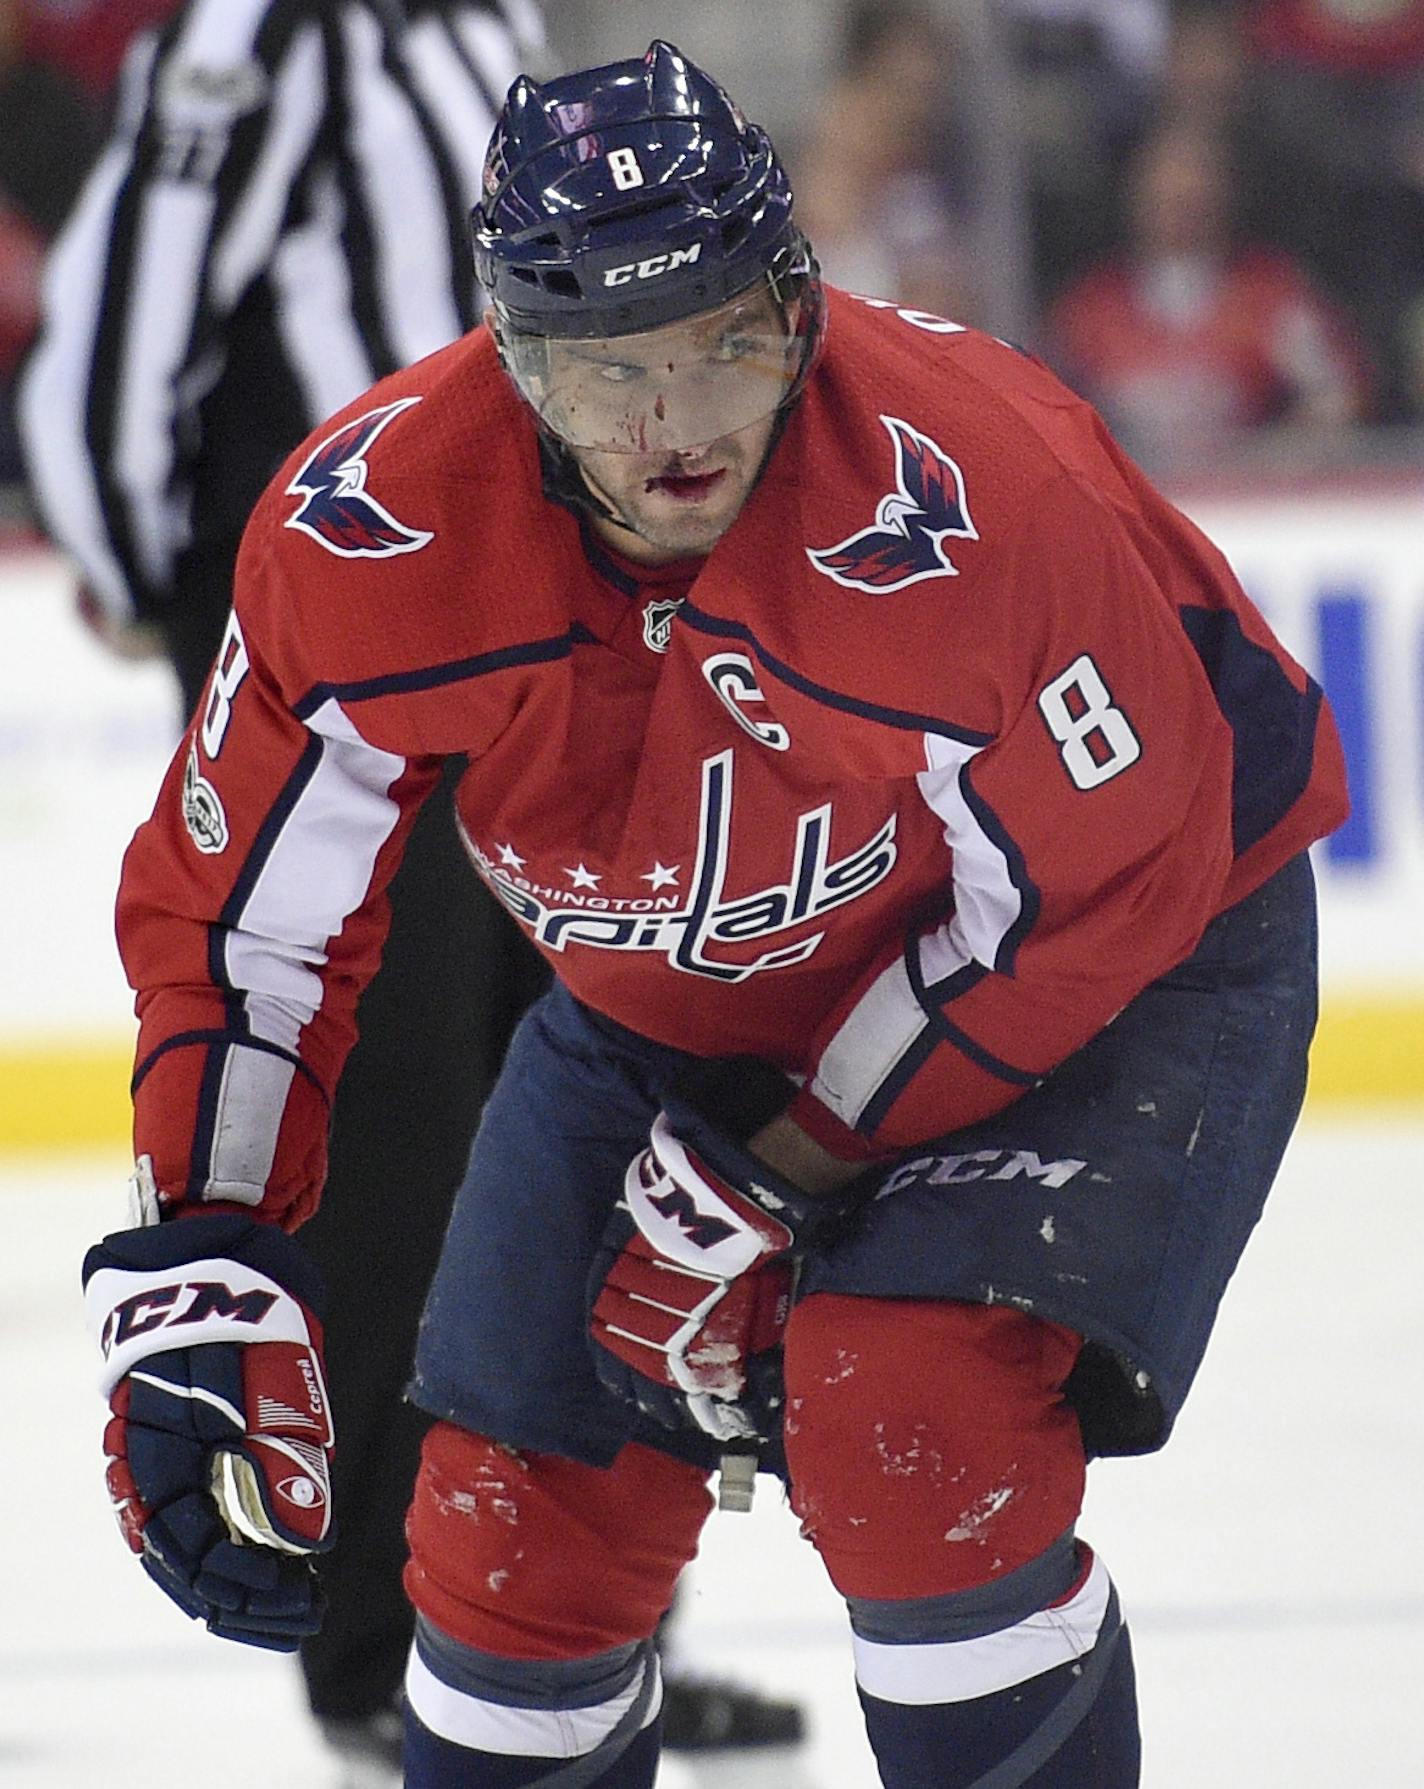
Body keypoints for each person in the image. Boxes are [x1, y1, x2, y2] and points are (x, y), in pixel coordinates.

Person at [79, 39, 1347, 1789]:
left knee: (910, 1420)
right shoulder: (368, 534)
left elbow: (1093, 884)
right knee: (504, 1529)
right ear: (511, 357)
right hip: (683, 990)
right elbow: (245, 930)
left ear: (798, 304)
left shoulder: (975, 496)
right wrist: (206, 1250)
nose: (670, 423)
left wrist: (787, 1161)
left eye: (720, 339)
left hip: (1127, 950)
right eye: (605, 370)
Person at [23, 7, 801, 1777]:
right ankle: (391, 1635)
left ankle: (584, 1629)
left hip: (574, 636)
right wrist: (158, 573)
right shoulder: (263, 30)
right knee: (391, 1160)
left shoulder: (492, 30)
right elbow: (116, 330)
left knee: (591, 1121)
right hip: (367, 651)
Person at [1046, 118, 1371, 472]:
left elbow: (1339, 394)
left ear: (1224, 193)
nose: (1183, 197)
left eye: (1197, 182)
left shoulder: (1270, 296)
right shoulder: (1092, 308)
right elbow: (1044, 408)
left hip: (1246, 505)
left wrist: (1275, 464)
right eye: (1168, 185)